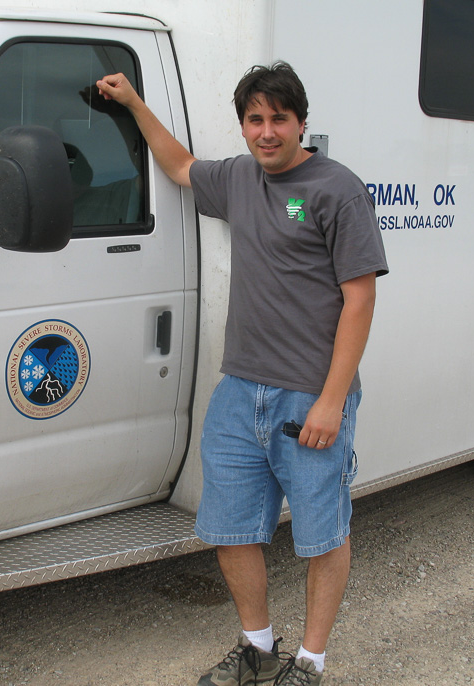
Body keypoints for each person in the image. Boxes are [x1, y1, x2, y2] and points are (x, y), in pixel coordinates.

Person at [96, 62, 387, 685]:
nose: (266, 132)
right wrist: (134, 104)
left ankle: (309, 661)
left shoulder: (338, 189)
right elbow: (180, 166)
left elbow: (359, 300)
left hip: (310, 395)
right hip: (239, 391)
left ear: (301, 122)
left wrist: (332, 401)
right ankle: (256, 647)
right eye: (254, 120)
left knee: (321, 535)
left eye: (278, 118)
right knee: (230, 527)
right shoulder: (237, 178)